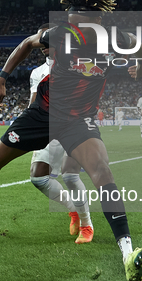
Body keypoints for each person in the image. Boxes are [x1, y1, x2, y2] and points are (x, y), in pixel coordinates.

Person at [0, 0, 142, 281]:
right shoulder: (59, 34)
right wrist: (0, 80)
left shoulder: (115, 38)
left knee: (102, 173)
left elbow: (140, 45)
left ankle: (127, 253)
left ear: (94, 21)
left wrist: (140, 65)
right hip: (42, 114)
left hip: (79, 121)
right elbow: (27, 44)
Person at [29, 40, 93, 243]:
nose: (43, 45)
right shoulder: (37, 72)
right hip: (48, 126)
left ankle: (87, 226)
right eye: (41, 42)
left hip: (75, 124)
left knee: (70, 176)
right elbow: (33, 102)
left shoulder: (78, 63)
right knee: (38, 178)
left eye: (48, 41)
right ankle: (73, 210)